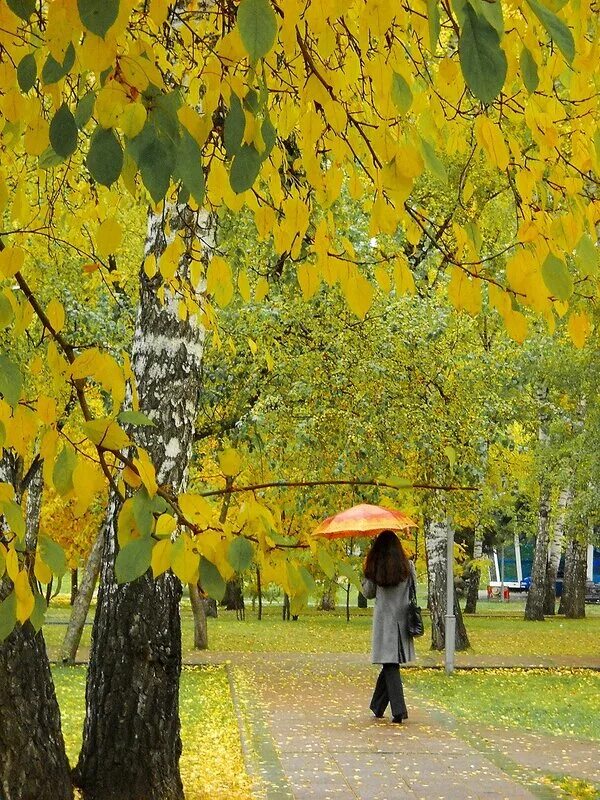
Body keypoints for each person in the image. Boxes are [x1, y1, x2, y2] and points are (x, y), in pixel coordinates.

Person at [361, 530, 416, 723]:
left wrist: (365, 572)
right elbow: (413, 590)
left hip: (385, 621)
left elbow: (368, 593)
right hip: (402, 619)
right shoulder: (407, 566)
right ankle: (377, 706)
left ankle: (399, 710)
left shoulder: (375, 567)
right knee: (390, 663)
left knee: (390, 663)